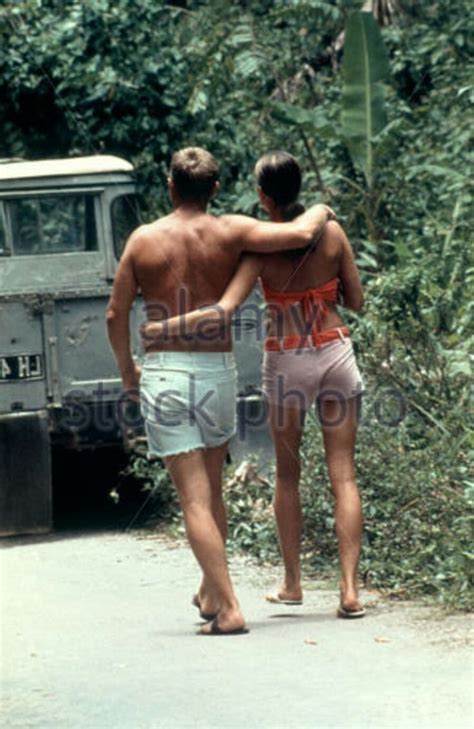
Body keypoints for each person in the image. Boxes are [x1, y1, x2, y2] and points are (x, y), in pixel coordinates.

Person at [106, 147, 335, 635]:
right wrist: (324, 208)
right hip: (215, 372)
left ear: (170, 186)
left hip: (165, 372)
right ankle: (212, 592)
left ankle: (228, 607)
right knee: (211, 495)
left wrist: (129, 373)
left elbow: (115, 313)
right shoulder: (232, 230)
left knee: (193, 500)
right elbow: (300, 231)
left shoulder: (143, 239)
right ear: (213, 189)